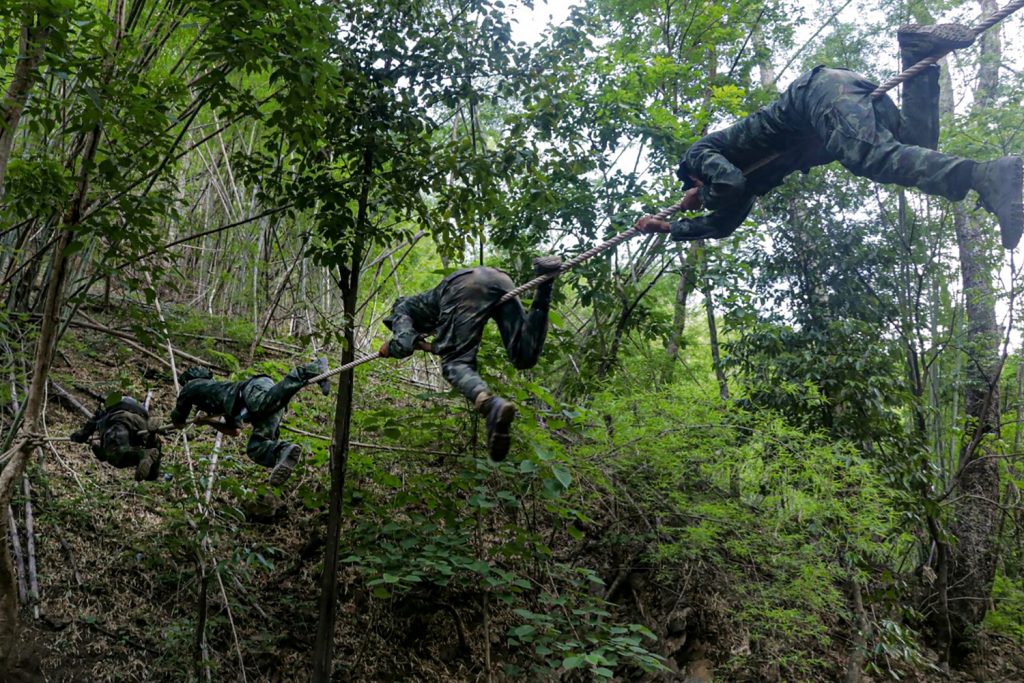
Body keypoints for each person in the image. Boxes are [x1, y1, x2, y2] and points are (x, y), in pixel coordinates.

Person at [634, 24, 1024, 249]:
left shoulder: (701, 153)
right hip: (837, 103)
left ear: (695, 176)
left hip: (817, 99)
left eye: (700, 185)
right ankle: (920, 52)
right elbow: (723, 223)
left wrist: (700, 195)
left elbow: (728, 184)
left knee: (869, 157)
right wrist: (668, 226)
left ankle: (985, 174)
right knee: (918, 151)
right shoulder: (750, 179)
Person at [380, 256, 563, 461]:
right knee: (523, 356)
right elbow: (444, 345)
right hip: (498, 279)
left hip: (463, 287)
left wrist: (390, 347)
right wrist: (423, 344)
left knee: (454, 364)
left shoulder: (401, 309)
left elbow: (404, 344)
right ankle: (545, 284)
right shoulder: (431, 311)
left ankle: (491, 406)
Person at [169, 360, 331, 486]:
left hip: (252, 391)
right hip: (261, 407)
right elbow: (234, 430)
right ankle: (282, 450)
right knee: (256, 448)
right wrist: (208, 422)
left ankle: (312, 369)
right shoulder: (221, 396)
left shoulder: (192, 386)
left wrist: (186, 418)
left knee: (262, 404)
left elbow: (178, 421)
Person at [70, 395, 162, 481]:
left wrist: (74, 437)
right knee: (151, 475)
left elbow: (84, 433)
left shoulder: (103, 414)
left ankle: (143, 453)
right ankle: (152, 437)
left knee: (116, 455)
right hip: (142, 421)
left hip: (121, 418)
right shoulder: (132, 403)